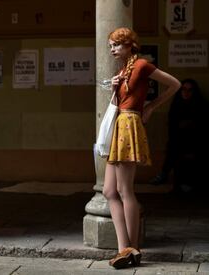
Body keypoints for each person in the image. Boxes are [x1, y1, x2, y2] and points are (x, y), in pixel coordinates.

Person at [103, 27, 181, 269]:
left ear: (129, 44)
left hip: (129, 124)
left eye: (116, 44)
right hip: (119, 124)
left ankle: (132, 248)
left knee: (125, 190)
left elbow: (175, 84)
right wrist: (114, 88)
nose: (113, 49)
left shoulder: (142, 65)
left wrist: (151, 107)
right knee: (108, 191)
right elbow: (118, 103)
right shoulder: (123, 70)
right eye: (111, 46)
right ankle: (124, 248)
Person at [149, 79, 209, 195]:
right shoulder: (177, 104)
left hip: (197, 141)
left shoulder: (201, 105)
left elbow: (203, 128)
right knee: (174, 146)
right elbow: (172, 126)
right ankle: (166, 175)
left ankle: (165, 174)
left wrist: (190, 124)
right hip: (179, 141)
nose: (186, 93)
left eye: (190, 90)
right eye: (184, 90)